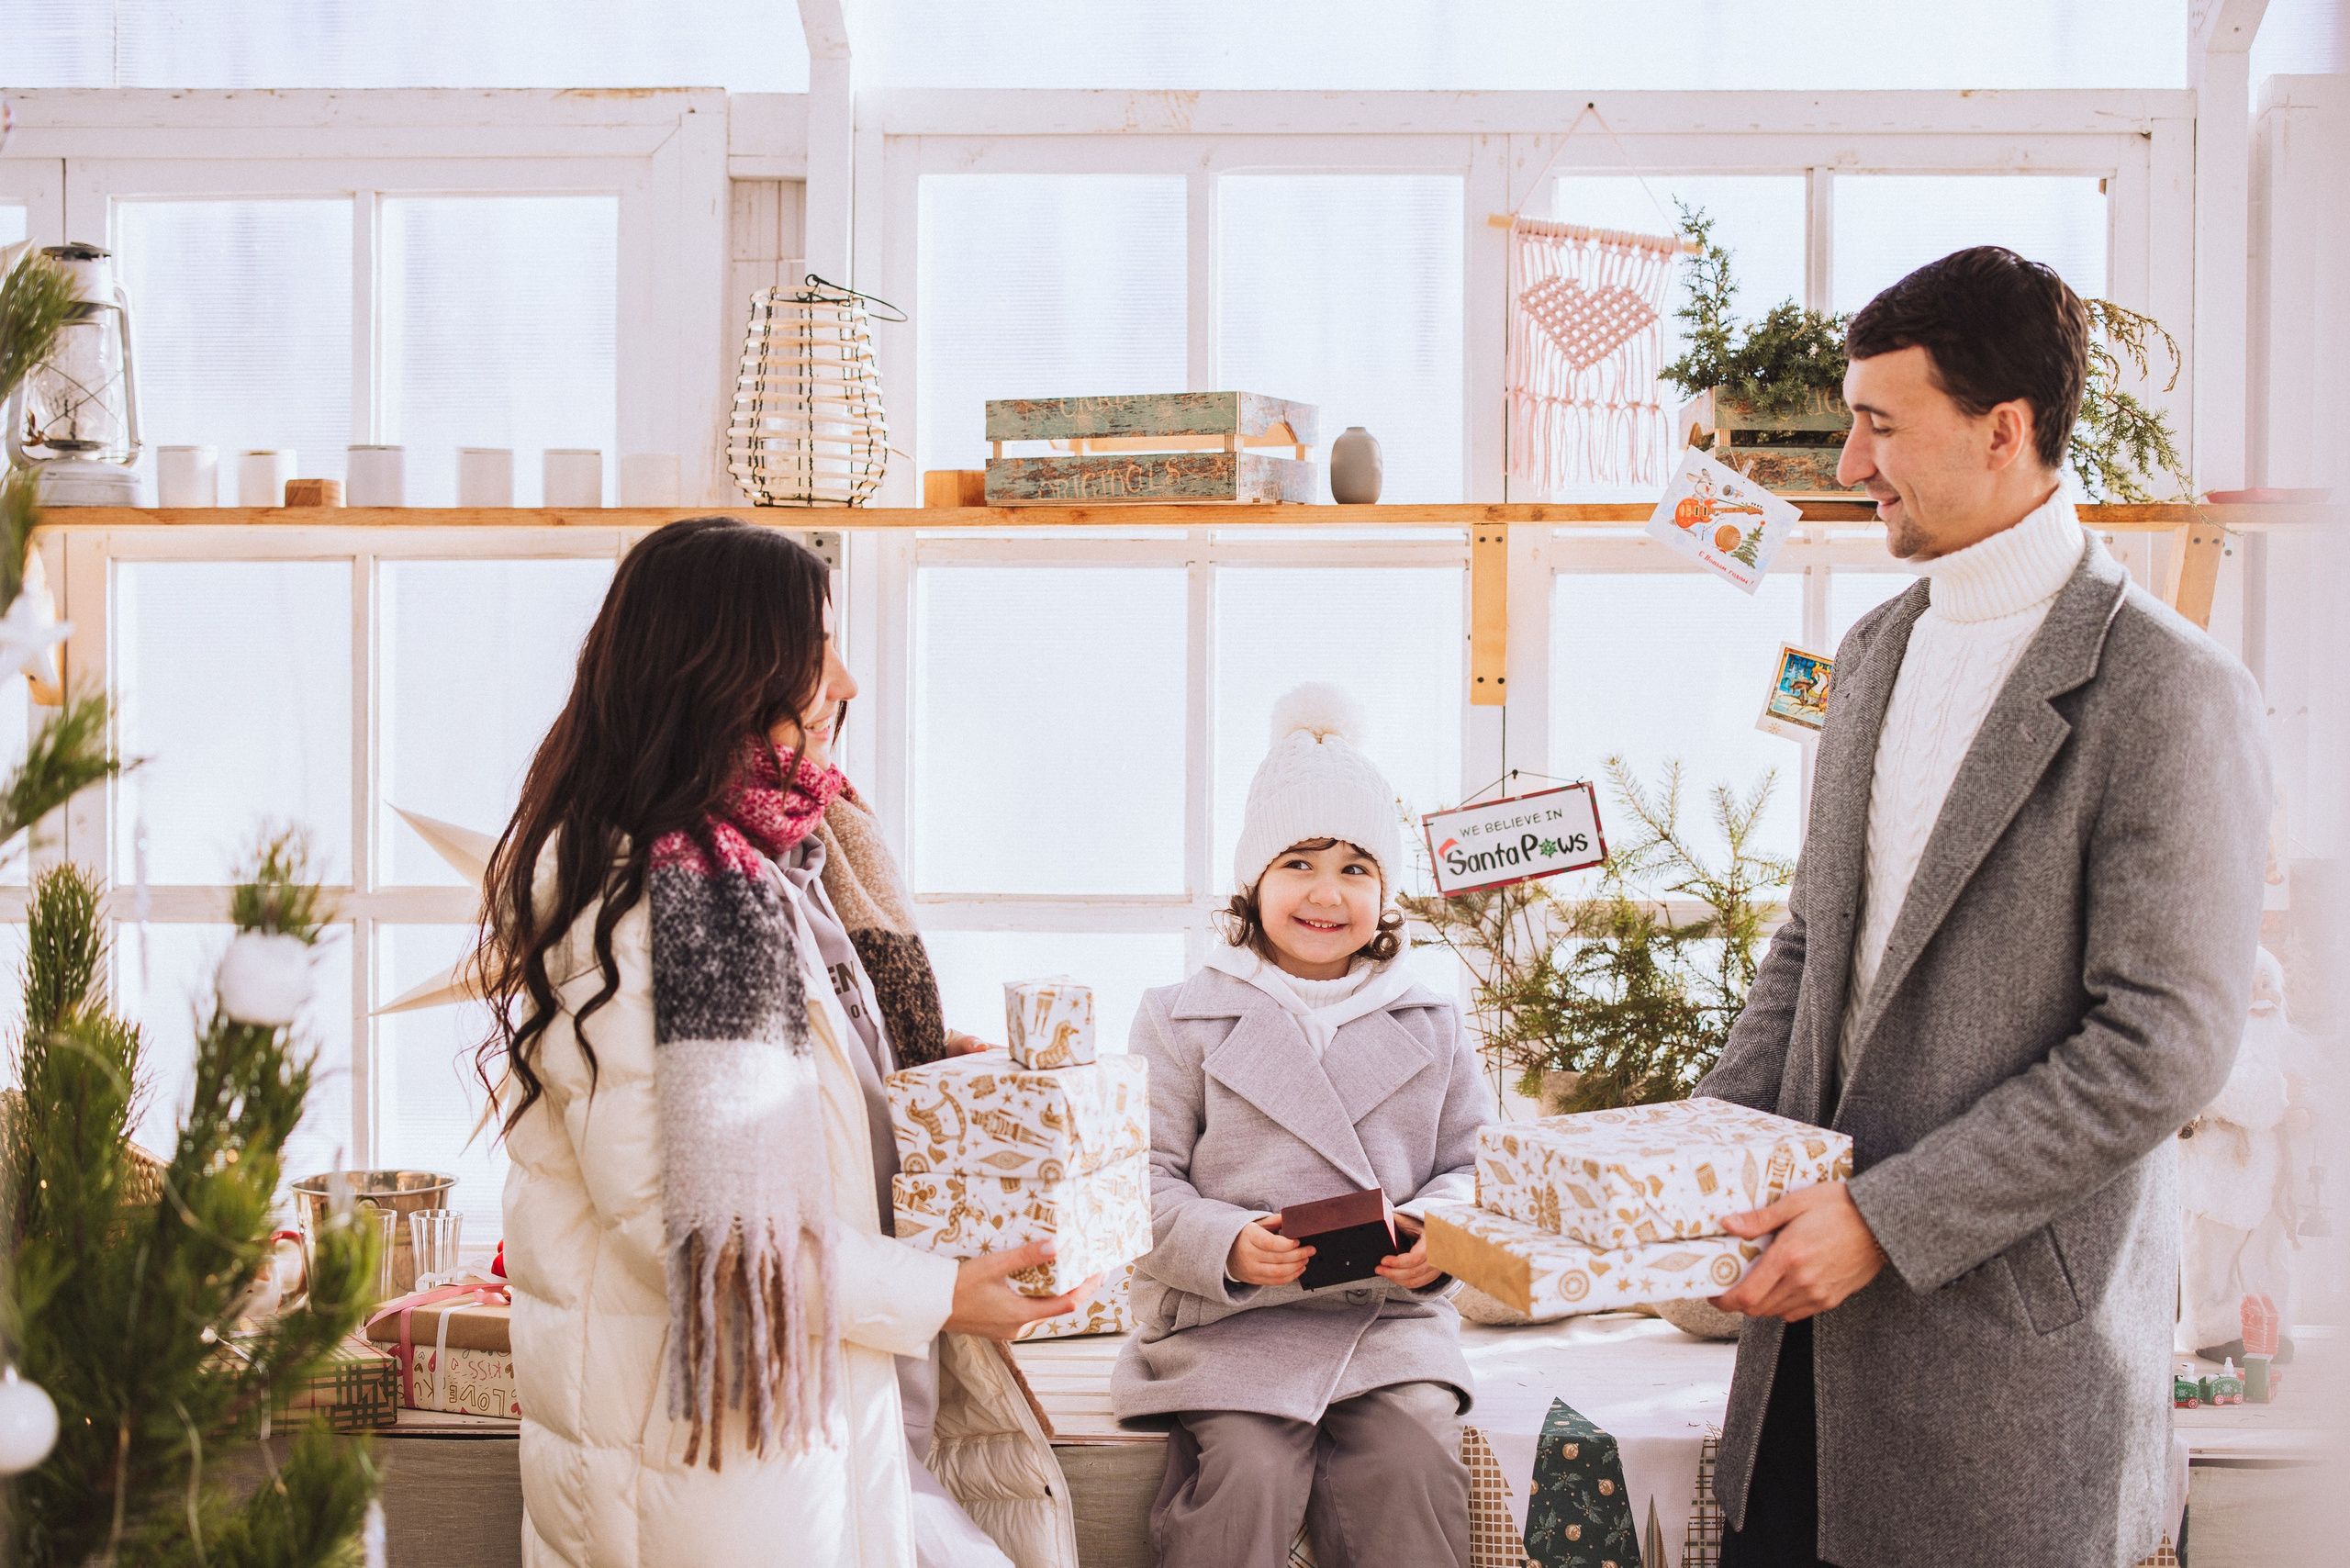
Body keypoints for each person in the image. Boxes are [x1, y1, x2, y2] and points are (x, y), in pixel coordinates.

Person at [1697, 247, 2270, 1568]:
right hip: (1797, 1375)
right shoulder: (1876, 649)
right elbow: (1809, 949)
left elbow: (2162, 1047)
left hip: (2005, 1377)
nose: (1849, 465)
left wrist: (1886, 1224)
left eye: (1881, 425)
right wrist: (1692, 1159)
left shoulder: (2171, 692)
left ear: (2004, 429)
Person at [486, 519, 1092, 1568]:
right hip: (708, 1479)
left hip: (830, 1435)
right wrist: (943, 1293)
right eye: (815, 649)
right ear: (724, 666)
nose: (845, 678)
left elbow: (779, 1090)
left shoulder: (782, 862)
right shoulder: (638, 902)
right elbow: (695, 1227)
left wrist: (915, 1061)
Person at [1112, 685, 1494, 1568]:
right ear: (1254, 879)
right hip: (1228, 1316)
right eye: (1299, 863)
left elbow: (1476, 1165)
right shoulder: (1181, 1016)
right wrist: (1227, 1243)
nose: (1327, 893)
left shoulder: (1431, 1017)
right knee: (1244, 1470)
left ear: (1386, 893)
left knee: (1412, 1459)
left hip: (1385, 1316)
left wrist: (1440, 1232)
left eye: (1356, 868)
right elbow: (1138, 1175)